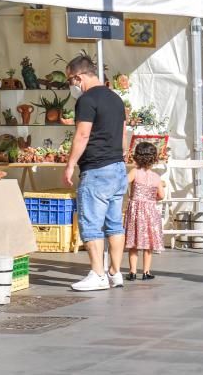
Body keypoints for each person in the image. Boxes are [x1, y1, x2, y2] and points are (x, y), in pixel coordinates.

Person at [62, 55, 129, 291]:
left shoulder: (87, 100)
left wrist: (71, 163)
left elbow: (82, 134)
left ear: (78, 77)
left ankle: (98, 274)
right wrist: (120, 157)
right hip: (117, 167)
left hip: (96, 169)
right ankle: (115, 272)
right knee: (114, 223)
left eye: (70, 80)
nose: (71, 85)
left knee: (91, 223)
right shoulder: (116, 98)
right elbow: (123, 133)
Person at [125, 142, 166, 280]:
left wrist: (131, 195)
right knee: (148, 243)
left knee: (134, 241)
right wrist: (150, 199)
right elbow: (161, 195)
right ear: (154, 158)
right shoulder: (156, 177)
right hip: (150, 211)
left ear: (136, 157)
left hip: (135, 211)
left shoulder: (134, 172)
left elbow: (124, 182)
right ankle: (146, 272)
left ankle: (132, 272)